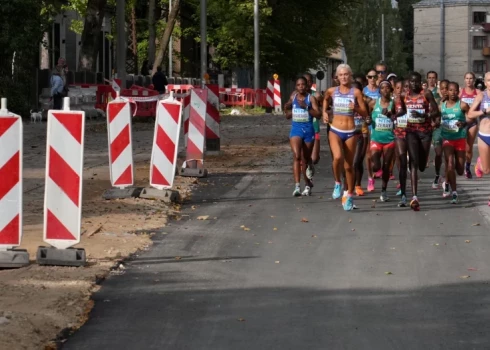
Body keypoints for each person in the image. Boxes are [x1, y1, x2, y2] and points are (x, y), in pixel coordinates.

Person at [323, 64, 368, 211]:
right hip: (335, 129)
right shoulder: (332, 91)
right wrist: (324, 112)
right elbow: (325, 100)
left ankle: (349, 195)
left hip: (350, 131)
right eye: (341, 75)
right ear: (337, 77)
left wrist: (354, 108)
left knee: (349, 166)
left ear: (350, 76)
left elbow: (365, 113)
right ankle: (337, 182)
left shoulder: (356, 93)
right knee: (337, 158)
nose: (343, 77)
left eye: (346, 74)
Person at [405, 72, 440, 211]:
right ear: (409, 82)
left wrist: (424, 114)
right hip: (411, 132)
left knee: (421, 166)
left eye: (417, 81)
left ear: (420, 82)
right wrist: (391, 114)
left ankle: (421, 161)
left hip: (425, 132)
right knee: (413, 163)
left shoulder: (426, 94)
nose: (414, 84)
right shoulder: (404, 95)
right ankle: (414, 197)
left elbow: (437, 112)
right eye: (412, 81)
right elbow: (399, 110)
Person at [284, 77, 321, 196]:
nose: (301, 87)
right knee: (296, 156)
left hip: (308, 130)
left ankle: (307, 183)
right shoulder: (293, 97)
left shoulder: (311, 98)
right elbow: (287, 112)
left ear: (307, 86)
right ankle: (297, 186)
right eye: (298, 85)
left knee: (305, 159)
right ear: (296, 86)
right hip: (296, 130)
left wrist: (306, 107)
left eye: (303, 84)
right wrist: (288, 111)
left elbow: (318, 115)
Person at [367, 80, 402, 202]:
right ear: (379, 90)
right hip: (376, 139)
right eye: (382, 88)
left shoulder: (394, 104)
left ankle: (383, 190)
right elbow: (367, 117)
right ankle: (375, 171)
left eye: (387, 88)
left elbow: (399, 117)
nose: (385, 90)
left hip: (389, 140)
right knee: (376, 166)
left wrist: (391, 116)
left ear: (390, 90)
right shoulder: (373, 103)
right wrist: (367, 121)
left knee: (386, 167)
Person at [440, 82, 470, 204]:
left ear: (459, 91)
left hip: (460, 139)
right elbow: (436, 117)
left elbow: (470, 118)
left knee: (460, 170)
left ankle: (446, 181)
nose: (453, 93)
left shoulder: (462, 105)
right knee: (450, 164)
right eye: (450, 90)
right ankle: (454, 192)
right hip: (447, 138)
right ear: (447, 91)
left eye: (455, 90)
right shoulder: (442, 105)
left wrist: (464, 124)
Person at [469, 72, 490, 206]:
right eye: (489, 80)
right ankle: (480, 165)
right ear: (486, 82)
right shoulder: (482, 95)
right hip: (484, 135)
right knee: (487, 170)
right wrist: (484, 112)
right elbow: (470, 113)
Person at [459, 72, 481, 178]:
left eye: (471, 78)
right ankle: (460, 165)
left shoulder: (478, 92)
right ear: (464, 80)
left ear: (474, 80)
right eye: (467, 78)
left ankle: (467, 168)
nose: (469, 80)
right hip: (462, 123)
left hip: (472, 123)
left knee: (469, 147)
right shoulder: (460, 92)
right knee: (461, 147)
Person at [393, 79, 409, 206]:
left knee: (414, 163)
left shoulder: (412, 100)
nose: (401, 91)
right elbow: (392, 115)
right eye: (399, 88)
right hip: (399, 133)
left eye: (404, 88)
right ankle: (403, 191)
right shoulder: (395, 101)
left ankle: (410, 188)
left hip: (412, 133)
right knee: (401, 161)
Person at [352, 81, 370, 196]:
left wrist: (368, 120)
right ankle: (350, 185)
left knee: (357, 162)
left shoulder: (364, 103)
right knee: (351, 162)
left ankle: (357, 185)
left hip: (362, 134)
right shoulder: (346, 103)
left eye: (357, 91)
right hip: (349, 134)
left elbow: (369, 118)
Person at [431, 79, 449, 189]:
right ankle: (437, 174)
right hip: (438, 130)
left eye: (446, 88)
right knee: (438, 154)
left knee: (448, 156)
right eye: (442, 88)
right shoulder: (436, 100)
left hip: (449, 131)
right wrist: (434, 121)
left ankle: (447, 179)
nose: (444, 90)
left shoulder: (455, 101)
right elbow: (432, 113)